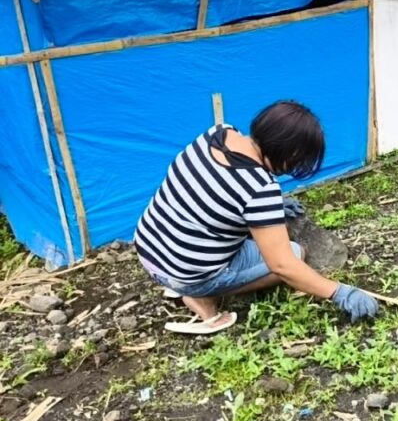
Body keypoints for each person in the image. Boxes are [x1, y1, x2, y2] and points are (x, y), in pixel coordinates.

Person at [134, 100, 378, 335]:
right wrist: (339, 292)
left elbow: (218, 191)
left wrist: (273, 207)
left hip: (149, 249)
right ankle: (202, 295)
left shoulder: (217, 134)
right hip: (186, 274)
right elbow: (282, 265)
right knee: (295, 254)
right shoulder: (259, 188)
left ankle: (184, 283)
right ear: (289, 152)